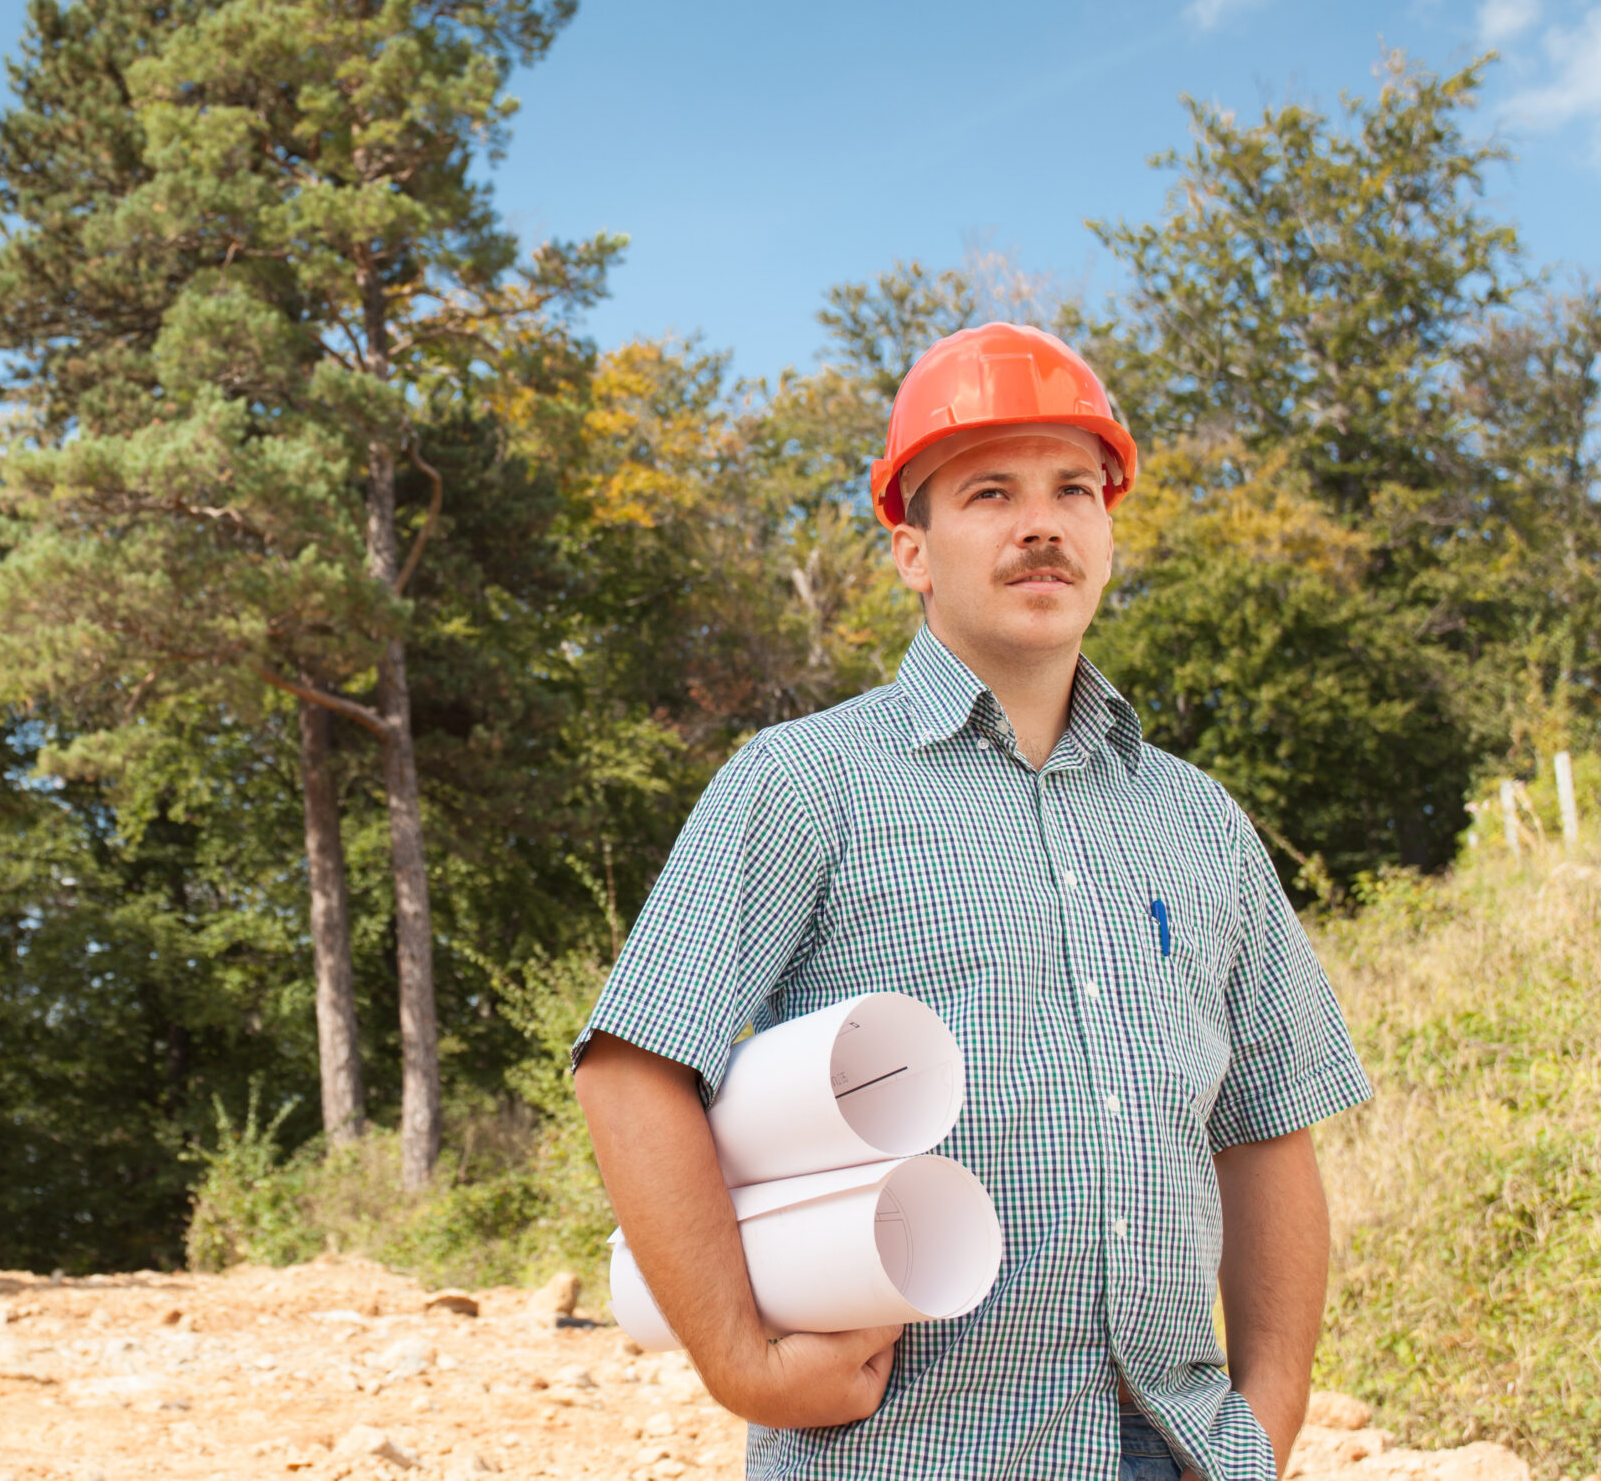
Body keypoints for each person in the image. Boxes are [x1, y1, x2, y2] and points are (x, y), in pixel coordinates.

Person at [573, 323, 1370, 1481]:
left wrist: (1267, 1420)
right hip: (906, 1454)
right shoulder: (805, 783)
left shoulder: (1199, 822)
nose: (1040, 522)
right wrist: (739, 1361)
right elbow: (632, 1069)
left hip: (1178, 1450)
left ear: (1106, 530)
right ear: (912, 550)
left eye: (1072, 489)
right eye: (988, 491)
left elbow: (1266, 1126)